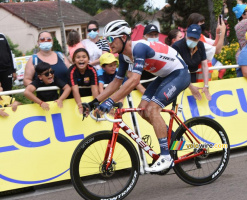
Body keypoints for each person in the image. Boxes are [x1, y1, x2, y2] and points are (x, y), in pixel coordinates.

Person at [87, 20, 191, 172]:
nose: (109, 44)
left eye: (110, 39)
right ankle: (175, 138)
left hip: (179, 73)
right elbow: (116, 82)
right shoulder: (124, 56)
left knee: (153, 109)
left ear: (123, 37)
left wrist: (110, 102)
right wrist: (94, 102)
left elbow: (135, 79)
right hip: (164, 76)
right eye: (106, 40)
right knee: (143, 109)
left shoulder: (139, 47)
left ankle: (166, 156)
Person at [172, 24, 211, 101]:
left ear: (199, 38)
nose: (192, 40)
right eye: (190, 37)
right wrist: (190, 86)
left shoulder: (200, 45)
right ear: (186, 34)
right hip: (178, 79)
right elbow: (176, 70)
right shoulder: (177, 46)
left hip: (193, 76)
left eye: (195, 39)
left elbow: (204, 65)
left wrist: (206, 85)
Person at [186, 13, 226, 82]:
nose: (203, 24)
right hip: (200, 75)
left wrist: (217, 33)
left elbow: (213, 45)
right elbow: (217, 50)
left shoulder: (200, 36)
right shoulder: (194, 39)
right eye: (201, 22)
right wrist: (223, 32)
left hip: (206, 73)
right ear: (195, 24)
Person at [68, 48, 99, 114]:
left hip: (88, 97)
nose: (81, 59)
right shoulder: (71, 70)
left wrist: (96, 106)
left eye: (84, 57)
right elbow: (75, 90)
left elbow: (95, 90)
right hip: (72, 100)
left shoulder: (92, 70)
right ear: (74, 60)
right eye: (78, 57)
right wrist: (80, 106)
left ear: (88, 60)